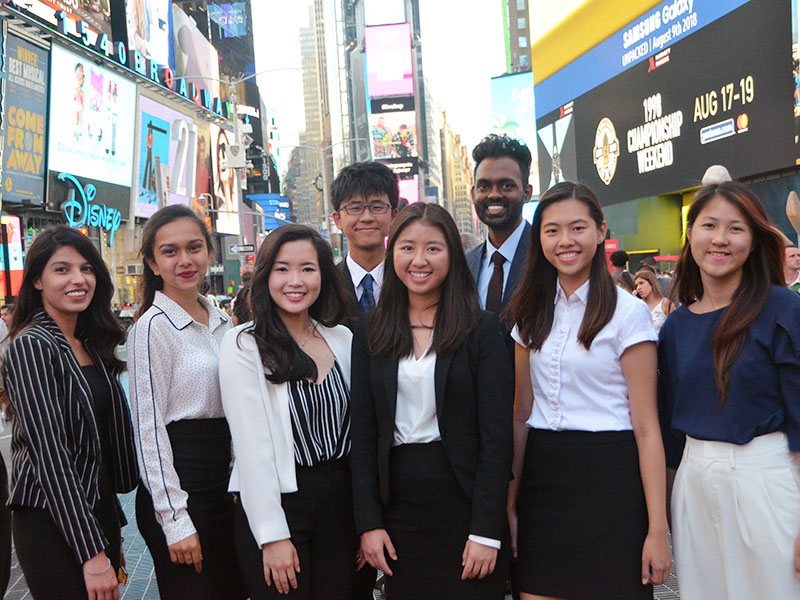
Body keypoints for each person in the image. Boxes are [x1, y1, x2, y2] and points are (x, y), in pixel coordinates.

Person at [507, 182, 671, 600]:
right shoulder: (529, 312)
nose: (565, 241)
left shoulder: (627, 313)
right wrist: (509, 504)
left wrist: (657, 528)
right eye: (552, 230)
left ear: (600, 232)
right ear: (538, 237)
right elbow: (520, 415)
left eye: (577, 228)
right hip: (543, 481)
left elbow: (647, 426)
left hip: (611, 481)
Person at [351, 202, 513, 599]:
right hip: (400, 507)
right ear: (393, 254)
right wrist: (368, 524)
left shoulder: (483, 329)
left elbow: (497, 440)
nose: (419, 260)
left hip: (464, 503)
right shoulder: (372, 330)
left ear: (452, 256)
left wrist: (486, 531)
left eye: (433, 248)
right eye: (407, 248)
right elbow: (364, 434)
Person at [658, 181, 800, 599]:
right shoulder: (675, 328)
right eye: (709, 226)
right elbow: (668, 434)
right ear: (691, 236)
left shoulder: (784, 309)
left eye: (736, 228)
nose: (720, 239)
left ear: (754, 240)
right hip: (693, 483)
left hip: (767, 479)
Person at [220, 224, 357, 599]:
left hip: (341, 506)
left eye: (307, 269)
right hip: (281, 501)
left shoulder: (342, 338)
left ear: (323, 276)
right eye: (282, 269)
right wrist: (272, 535)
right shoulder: (244, 343)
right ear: (266, 276)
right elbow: (251, 447)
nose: (295, 281)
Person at [2, 226, 138, 599]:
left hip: (95, 514)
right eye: (61, 270)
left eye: (86, 268)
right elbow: (50, 457)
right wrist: (92, 554)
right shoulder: (32, 345)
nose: (78, 279)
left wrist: (110, 531)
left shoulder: (89, 342)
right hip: (51, 521)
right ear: (37, 282)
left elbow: (99, 449)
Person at [128, 205, 244, 600]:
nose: (185, 260)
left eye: (194, 247)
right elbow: (147, 427)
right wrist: (175, 519)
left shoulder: (222, 321)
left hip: (225, 488)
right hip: (184, 488)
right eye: (170, 251)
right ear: (153, 263)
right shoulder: (150, 328)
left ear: (209, 252)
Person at [466, 134, 532, 326]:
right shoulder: (465, 266)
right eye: (484, 186)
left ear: (526, 193)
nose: (494, 194)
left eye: (506, 185)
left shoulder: (547, 255)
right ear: (473, 193)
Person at [331, 161, 399, 320]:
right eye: (355, 208)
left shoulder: (410, 281)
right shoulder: (325, 286)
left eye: (377, 207)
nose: (367, 217)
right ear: (338, 219)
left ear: (393, 216)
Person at [634, 269, 674, 333]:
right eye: (636, 286)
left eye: (641, 283)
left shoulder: (665, 304)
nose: (638, 288)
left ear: (652, 283)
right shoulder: (638, 305)